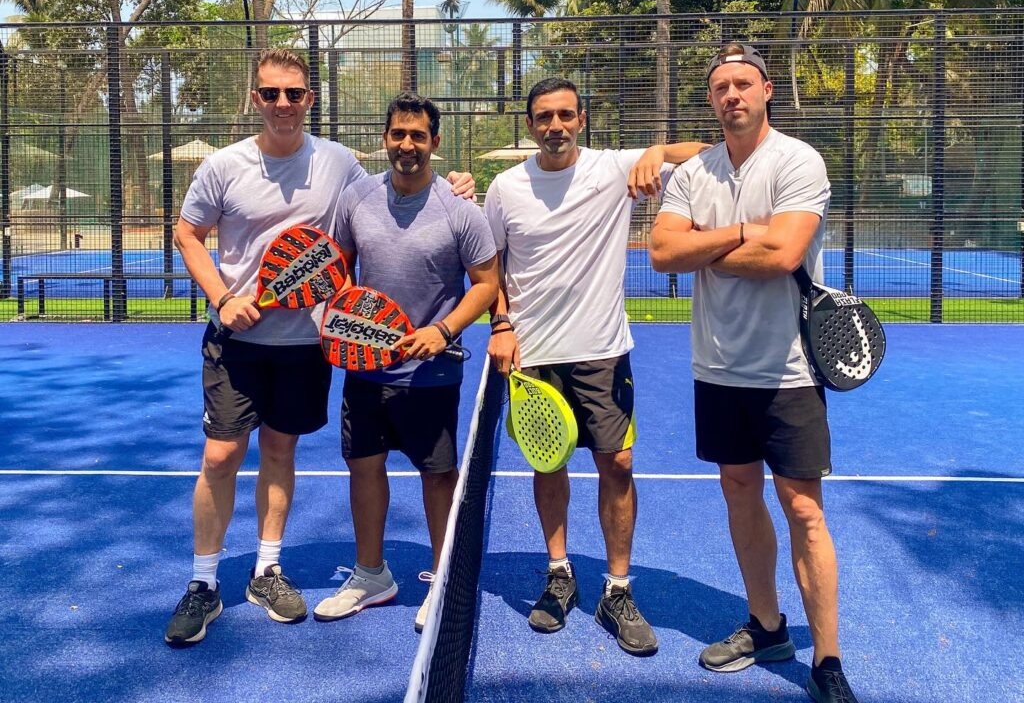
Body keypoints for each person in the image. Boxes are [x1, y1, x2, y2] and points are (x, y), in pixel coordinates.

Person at [166, 49, 476, 647]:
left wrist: (455, 179)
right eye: (270, 93)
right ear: (255, 98)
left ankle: (267, 569)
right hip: (237, 341)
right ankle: (204, 582)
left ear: (309, 100)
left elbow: (400, 186)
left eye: (293, 94)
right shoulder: (223, 167)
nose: (282, 103)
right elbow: (187, 233)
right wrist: (223, 297)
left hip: (307, 344)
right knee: (220, 456)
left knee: (280, 451)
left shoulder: (337, 164)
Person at [649, 43, 858, 703]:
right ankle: (767, 625)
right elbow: (662, 253)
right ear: (711, 99)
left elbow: (784, 253)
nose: (732, 95)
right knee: (739, 491)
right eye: (720, 87)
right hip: (716, 369)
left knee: (804, 510)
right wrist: (745, 233)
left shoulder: (798, 161)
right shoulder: (694, 174)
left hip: (790, 371)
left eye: (743, 83)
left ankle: (827, 661)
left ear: (767, 89)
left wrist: (705, 247)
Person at [483, 76, 707, 657]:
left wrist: (657, 151)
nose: (554, 125)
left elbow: (708, 152)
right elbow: (489, 269)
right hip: (533, 356)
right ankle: (559, 572)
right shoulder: (505, 188)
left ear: (581, 119)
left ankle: (617, 588)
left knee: (620, 464)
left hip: (603, 350)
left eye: (564, 115)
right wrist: (501, 325)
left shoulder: (612, 167)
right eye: (543, 117)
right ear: (530, 125)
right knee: (547, 462)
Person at [312, 92, 498, 632]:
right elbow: (339, 267)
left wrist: (443, 330)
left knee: (438, 475)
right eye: (399, 134)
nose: (407, 145)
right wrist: (350, 319)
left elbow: (487, 285)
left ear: (435, 143)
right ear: (385, 139)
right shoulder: (357, 199)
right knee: (363, 466)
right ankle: (372, 574)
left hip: (432, 371)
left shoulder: (461, 212)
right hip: (364, 369)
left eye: (418, 136)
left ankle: (440, 579)